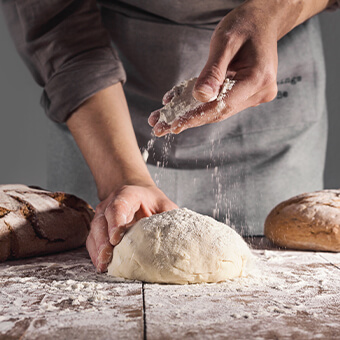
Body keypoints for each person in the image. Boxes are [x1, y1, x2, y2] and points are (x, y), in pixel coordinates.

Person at [1, 0, 338, 272]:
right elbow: (56, 19)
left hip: (267, 87)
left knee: (282, 267)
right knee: (105, 251)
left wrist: (277, 9)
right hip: (100, 108)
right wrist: (122, 176)